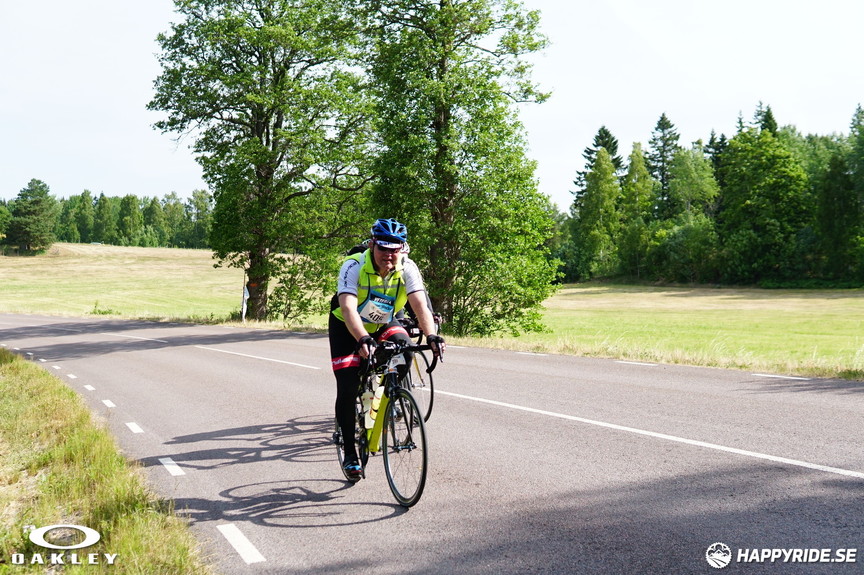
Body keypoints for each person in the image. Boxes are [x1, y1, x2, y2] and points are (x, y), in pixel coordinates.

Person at [329, 218, 445, 480]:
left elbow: (419, 304)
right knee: (347, 388)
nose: (388, 254)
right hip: (347, 327)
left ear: (401, 248)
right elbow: (347, 307)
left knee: (405, 350)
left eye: (394, 248)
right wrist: (361, 339)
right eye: (383, 248)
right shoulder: (354, 265)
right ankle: (350, 453)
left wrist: (433, 335)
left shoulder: (408, 267)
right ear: (372, 245)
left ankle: (387, 393)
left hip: (382, 321)